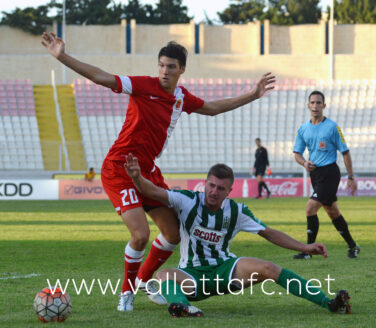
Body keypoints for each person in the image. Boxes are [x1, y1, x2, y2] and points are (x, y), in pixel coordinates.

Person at [41, 32, 276, 312]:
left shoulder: (180, 98)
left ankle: (142, 280)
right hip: (119, 167)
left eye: (171, 67)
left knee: (173, 234)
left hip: (148, 171)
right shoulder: (142, 85)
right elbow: (102, 77)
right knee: (140, 235)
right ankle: (126, 294)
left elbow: (212, 108)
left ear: (182, 70)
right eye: (162, 65)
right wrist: (62, 56)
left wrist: (253, 94)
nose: (165, 71)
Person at [124, 154, 351, 317]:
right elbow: (153, 191)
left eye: (220, 188)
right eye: (211, 185)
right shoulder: (187, 200)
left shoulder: (237, 211)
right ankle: (183, 307)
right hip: (192, 275)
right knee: (164, 274)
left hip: (226, 270)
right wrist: (136, 178)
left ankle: (329, 303)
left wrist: (305, 247)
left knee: (270, 268)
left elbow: (269, 233)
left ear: (229, 191)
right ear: (205, 184)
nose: (214, 191)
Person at [292, 90, 360, 260]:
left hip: (330, 172)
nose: (315, 106)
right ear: (308, 106)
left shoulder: (333, 127)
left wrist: (350, 177)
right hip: (315, 174)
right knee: (332, 212)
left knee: (310, 208)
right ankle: (353, 246)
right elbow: (297, 153)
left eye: (318, 103)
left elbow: (345, 152)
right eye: (312, 103)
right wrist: (304, 163)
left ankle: (308, 251)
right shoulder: (303, 129)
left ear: (324, 105)